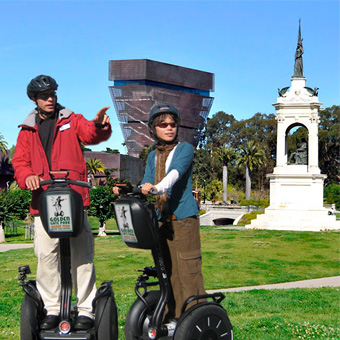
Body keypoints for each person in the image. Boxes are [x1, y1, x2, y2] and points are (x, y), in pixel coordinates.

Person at [12, 75, 112, 331]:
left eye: (53, 94)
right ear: (34, 99)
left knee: (82, 255)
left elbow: (90, 134)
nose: (50, 99)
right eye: (44, 96)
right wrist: (27, 177)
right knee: (46, 256)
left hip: (75, 199)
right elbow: (20, 163)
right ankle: (53, 308)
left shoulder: (71, 119)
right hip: (44, 203)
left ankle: (87, 309)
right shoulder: (27, 131)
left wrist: (99, 125)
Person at [113, 103, 206, 321]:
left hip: (183, 220)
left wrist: (157, 188)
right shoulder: (153, 156)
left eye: (173, 124)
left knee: (188, 272)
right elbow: (146, 182)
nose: (169, 128)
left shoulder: (184, 149)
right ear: (153, 129)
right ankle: (171, 317)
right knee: (167, 272)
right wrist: (127, 188)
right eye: (163, 125)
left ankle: (196, 318)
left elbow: (175, 174)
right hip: (161, 222)